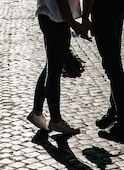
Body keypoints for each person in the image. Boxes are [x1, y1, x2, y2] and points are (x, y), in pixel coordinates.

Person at [27, 0, 87, 135]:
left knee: (51, 66)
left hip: (51, 16)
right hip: (56, 18)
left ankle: (37, 111)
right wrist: (72, 22)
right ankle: (55, 119)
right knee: (54, 71)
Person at [83, 0, 124, 139]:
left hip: (104, 11)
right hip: (117, 8)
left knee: (113, 67)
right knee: (113, 62)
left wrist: (85, 17)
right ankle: (114, 112)